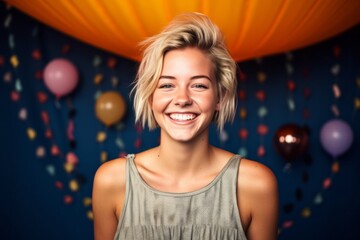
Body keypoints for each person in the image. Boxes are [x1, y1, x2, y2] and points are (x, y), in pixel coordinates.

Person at [92, 12, 278, 240]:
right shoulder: (111, 181)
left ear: (219, 97)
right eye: (167, 85)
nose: (182, 99)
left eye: (199, 85)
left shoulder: (256, 185)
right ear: (151, 98)